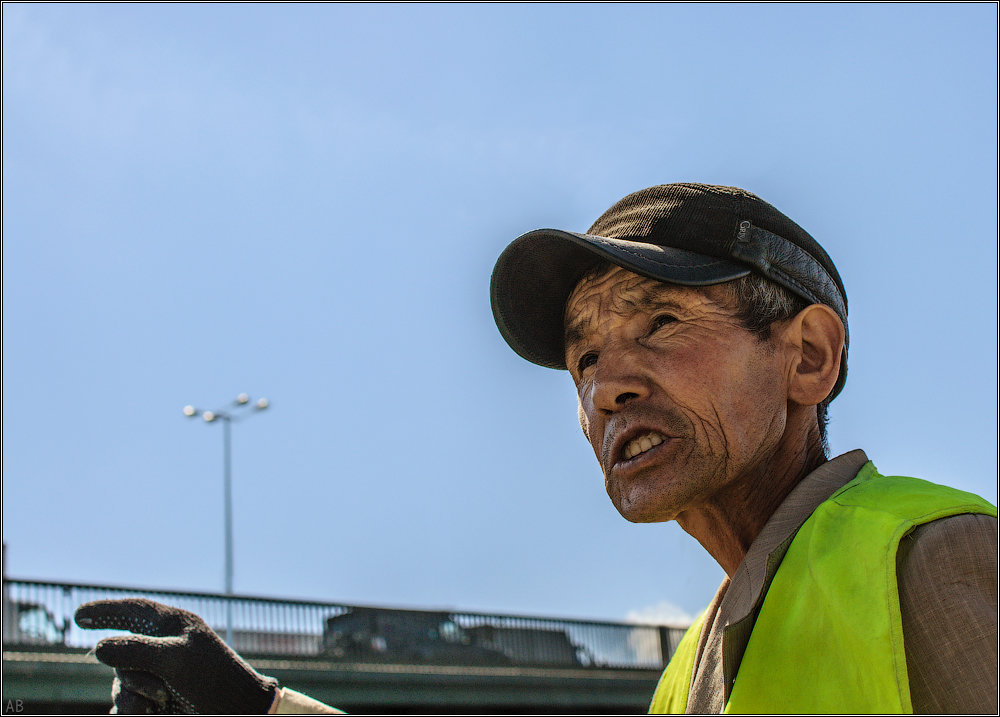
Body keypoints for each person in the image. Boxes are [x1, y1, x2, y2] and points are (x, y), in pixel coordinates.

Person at [77, 183, 997, 714]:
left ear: (808, 355)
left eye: (663, 321)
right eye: (584, 357)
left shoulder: (934, 559)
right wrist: (257, 710)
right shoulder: (690, 671)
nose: (607, 387)